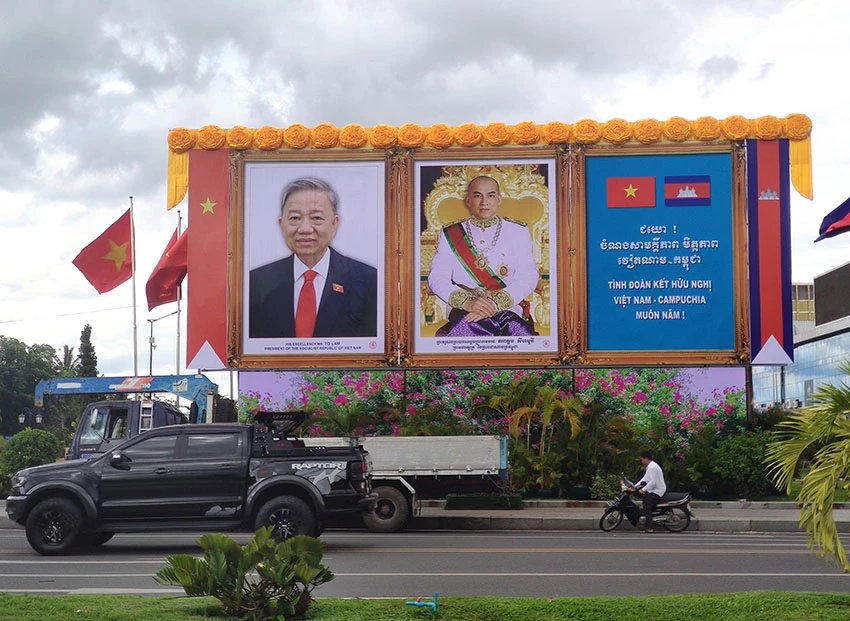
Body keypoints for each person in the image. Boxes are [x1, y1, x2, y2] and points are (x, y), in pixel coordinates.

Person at [249, 177, 378, 338]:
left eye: (316, 218)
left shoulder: (369, 282)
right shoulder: (256, 282)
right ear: (282, 225)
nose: (304, 229)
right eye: (295, 218)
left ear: (334, 224)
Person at [427, 175, 539, 337]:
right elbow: (437, 277)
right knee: (464, 330)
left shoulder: (518, 231)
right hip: (465, 310)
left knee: (517, 334)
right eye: (477, 195)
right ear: (468, 200)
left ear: (499, 199)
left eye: (490, 195)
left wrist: (494, 304)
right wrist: (467, 303)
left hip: (508, 307)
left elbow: (528, 277)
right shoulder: (451, 233)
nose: (484, 202)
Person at [629, 450, 667, 533]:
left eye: (642, 459)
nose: (641, 461)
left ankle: (649, 528)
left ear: (646, 458)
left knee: (647, 507)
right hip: (653, 490)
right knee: (644, 503)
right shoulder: (650, 466)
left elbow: (653, 482)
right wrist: (634, 487)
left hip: (657, 491)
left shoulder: (652, 467)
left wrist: (643, 489)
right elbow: (645, 479)